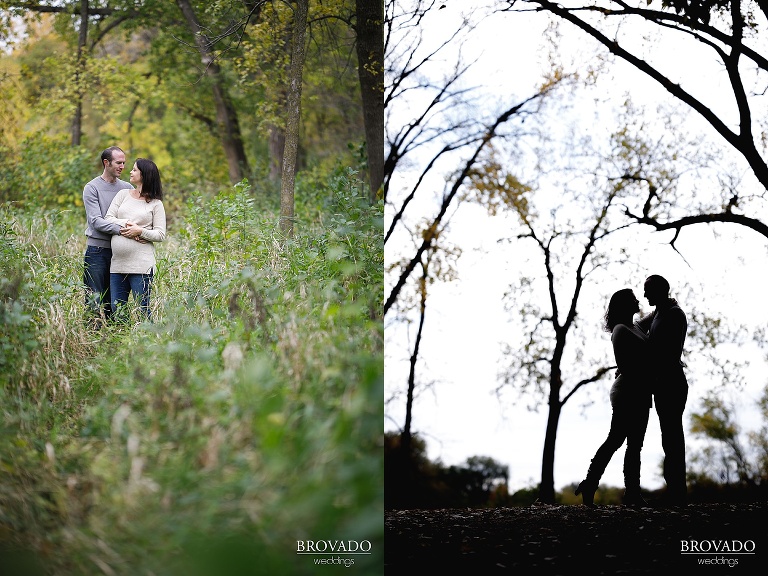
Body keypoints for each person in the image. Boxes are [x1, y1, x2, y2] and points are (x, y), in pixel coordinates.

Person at [575, 289, 652, 506]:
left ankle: (632, 493)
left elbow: (653, 315)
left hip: (641, 392)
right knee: (615, 440)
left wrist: (667, 302)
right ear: (625, 305)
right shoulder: (620, 330)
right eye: (633, 298)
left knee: (635, 445)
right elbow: (624, 366)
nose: (638, 300)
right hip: (627, 393)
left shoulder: (636, 327)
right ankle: (591, 483)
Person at [635, 274, 689, 506]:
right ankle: (675, 491)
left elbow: (664, 352)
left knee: (672, 437)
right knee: (669, 437)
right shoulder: (659, 312)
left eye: (648, 290)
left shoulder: (674, 314)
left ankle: (677, 493)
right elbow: (636, 326)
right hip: (662, 383)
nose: (644, 294)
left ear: (659, 290)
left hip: (671, 383)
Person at [105, 157, 166, 321]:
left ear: (144, 175)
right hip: (117, 264)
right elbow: (108, 218)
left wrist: (140, 231)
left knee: (142, 310)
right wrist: (128, 224)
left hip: (141, 266)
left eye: (134, 170)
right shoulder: (122, 194)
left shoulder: (156, 204)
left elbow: (160, 234)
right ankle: (121, 338)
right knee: (117, 310)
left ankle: (149, 337)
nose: (130, 172)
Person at [82, 146, 134, 323]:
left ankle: (116, 335)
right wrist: (122, 229)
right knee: (93, 299)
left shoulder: (127, 188)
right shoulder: (92, 188)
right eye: (118, 163)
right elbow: (96, 222)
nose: (122, 167)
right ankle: (91, 336)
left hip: (120, 251)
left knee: (116, 300)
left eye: (124, 163)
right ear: (106, 163)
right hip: (97, 250)